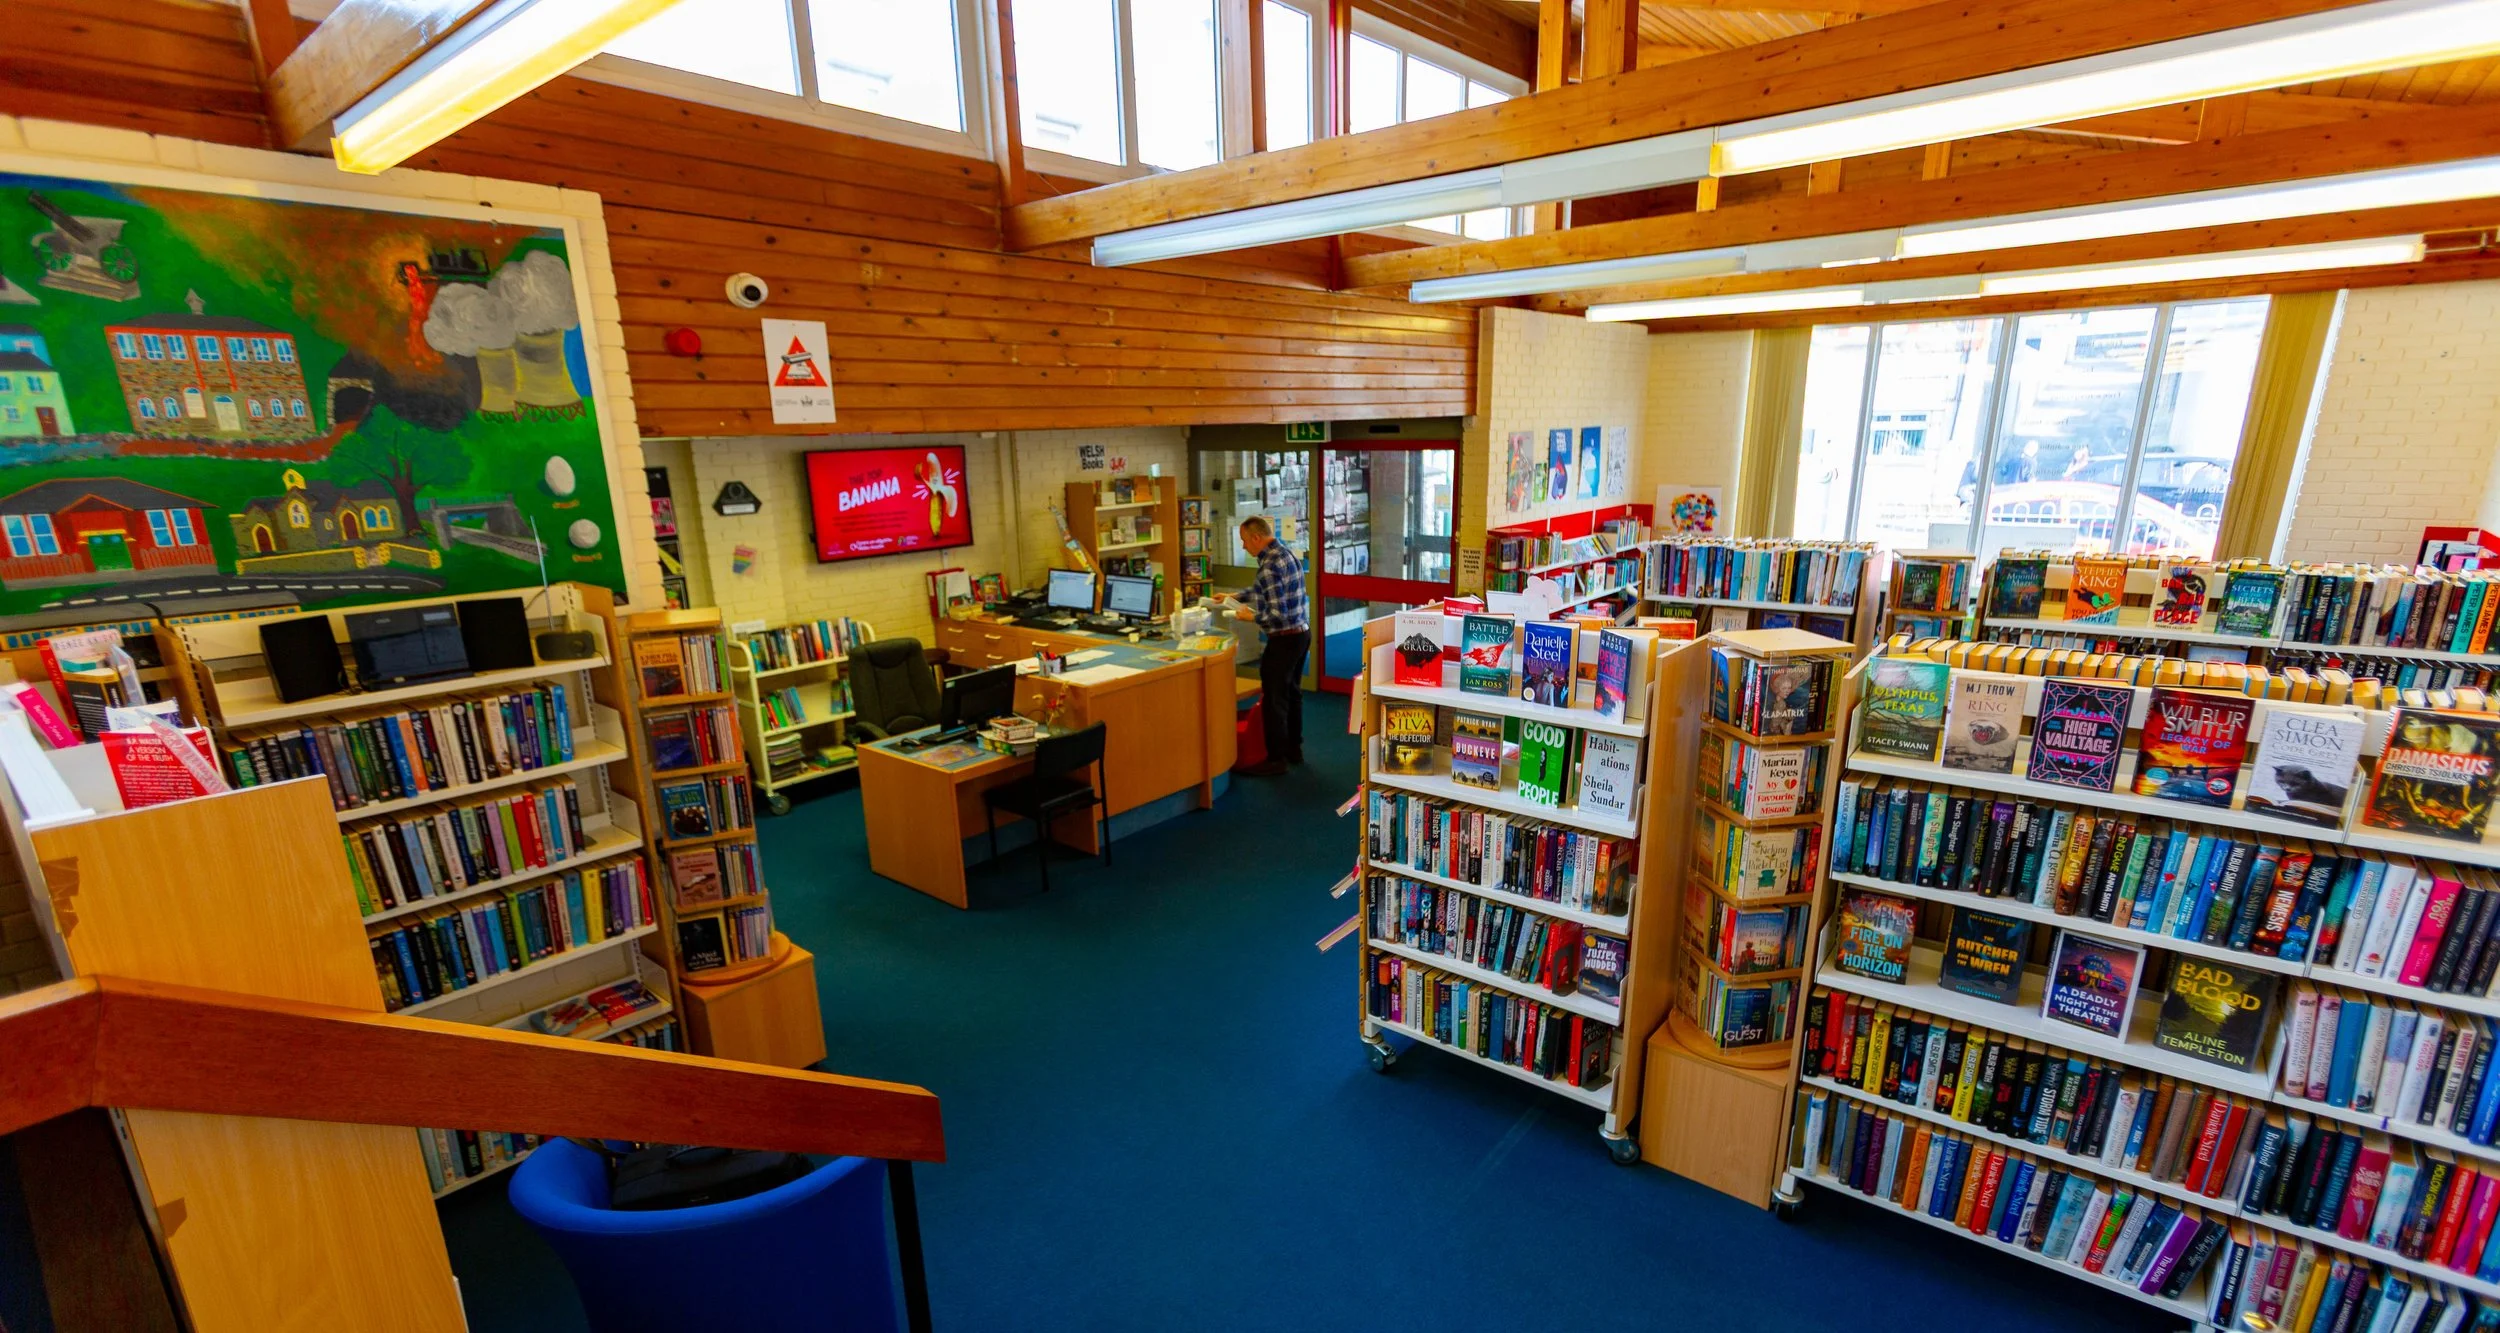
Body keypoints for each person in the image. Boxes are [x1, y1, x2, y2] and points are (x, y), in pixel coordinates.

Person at [1226, 516, 1308, 776]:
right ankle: (1294, 749)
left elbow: (1276, 614)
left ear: (1256, 538)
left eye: (1244, 541)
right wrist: (1235, 597)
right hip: (1301, 634)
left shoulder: (1269, 566)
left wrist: (1250, 616)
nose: (1243, 547)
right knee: (1293, 693)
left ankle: (1275, 760)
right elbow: (1266, 590)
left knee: (1274, 699)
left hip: (1283, 639)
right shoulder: (1286, 554)